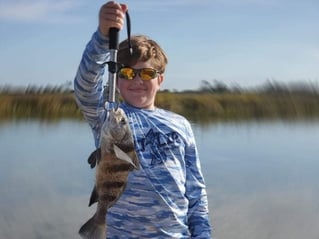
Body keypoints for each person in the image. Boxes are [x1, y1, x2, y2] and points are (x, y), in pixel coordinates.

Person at [74, 1, 213, 238]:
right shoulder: (108, 117)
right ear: (117, 80)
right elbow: (85, 87)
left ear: (160, 80)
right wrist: (101, 37)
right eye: (127, 73)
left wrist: (202, 232)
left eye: (147, 73)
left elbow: (195, 188)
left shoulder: (181, 125)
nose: (137, 80)